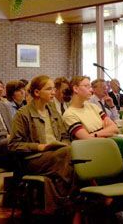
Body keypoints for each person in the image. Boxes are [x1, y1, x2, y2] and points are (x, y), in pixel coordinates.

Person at [9, 75, 74, 212]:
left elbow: (64, 135)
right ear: (37, 92)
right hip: (33, 159)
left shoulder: (53, 111)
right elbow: (14, 145)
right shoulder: (23, 114)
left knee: (75, 156)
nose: (53, 92)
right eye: (49, 89)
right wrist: (40, 147)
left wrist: (64, 144)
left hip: (57, 155)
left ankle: (66, 208)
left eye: (54, 89)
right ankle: (71, 205)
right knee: (69, 157)